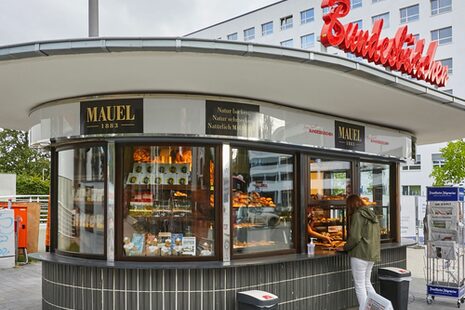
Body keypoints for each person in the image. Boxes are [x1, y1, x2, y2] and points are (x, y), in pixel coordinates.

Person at [343, 194, 380, 310]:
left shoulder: (358, 215)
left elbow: (354, 237)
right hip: (372, 254)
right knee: (367, 283)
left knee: (359, 286)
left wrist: (345, 247)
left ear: (351, 205)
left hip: (360, 254)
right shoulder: (372, 215)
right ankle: (377, 307)